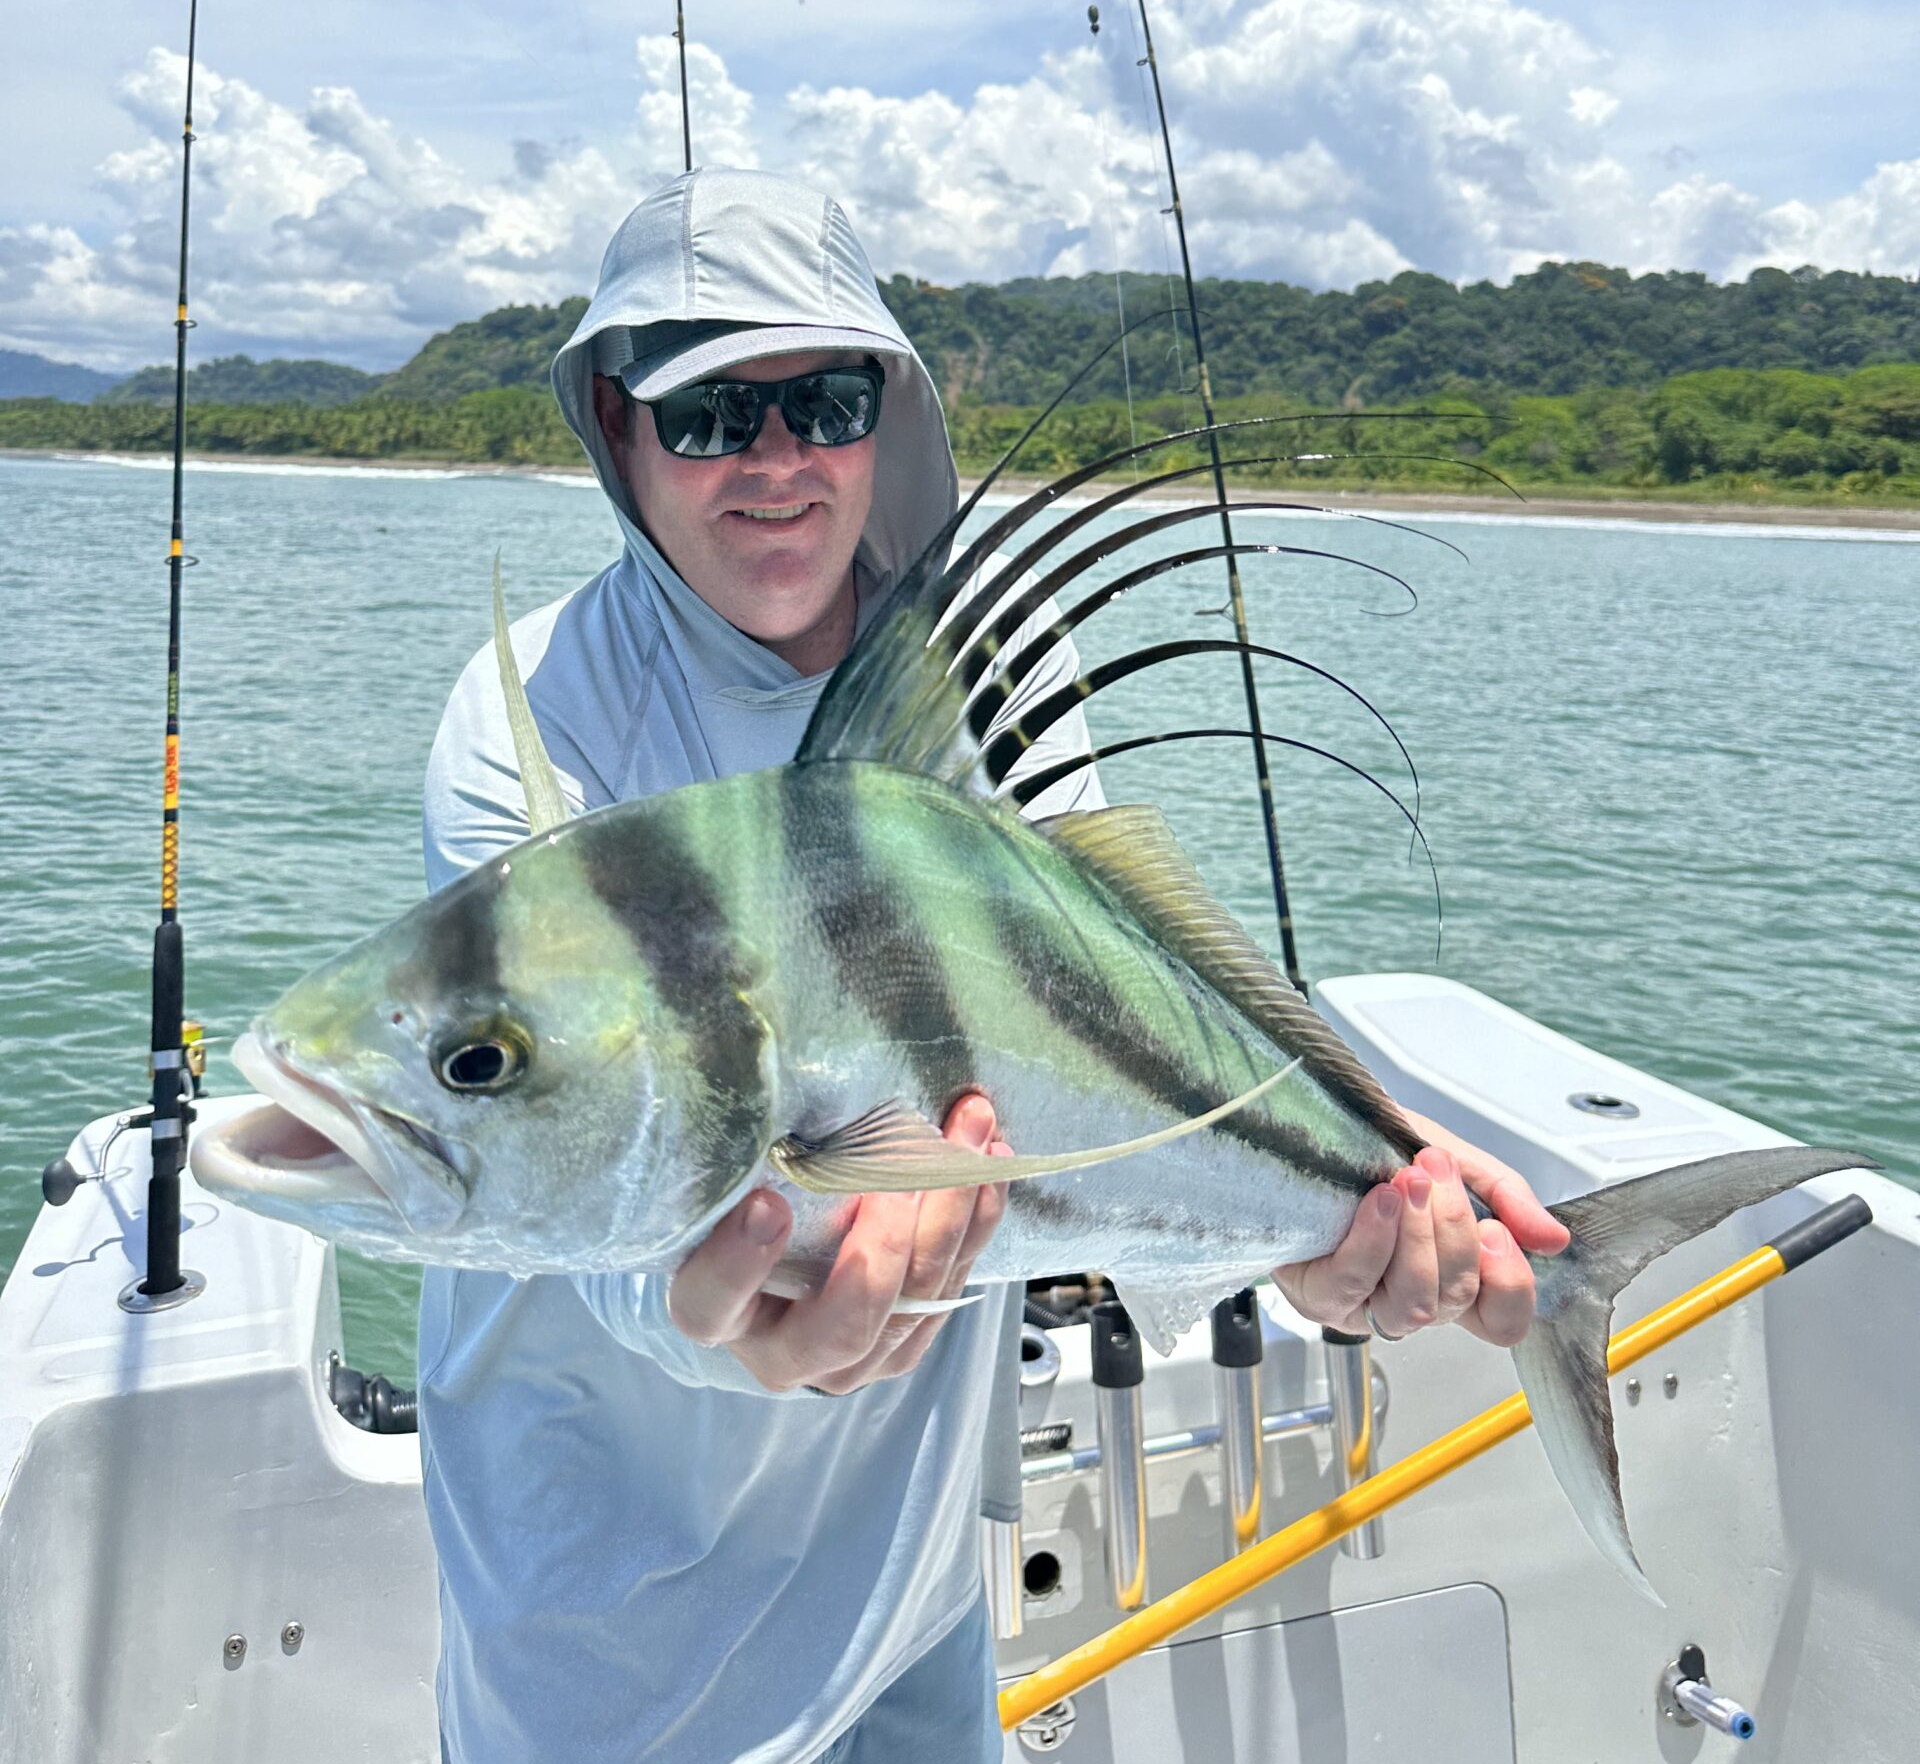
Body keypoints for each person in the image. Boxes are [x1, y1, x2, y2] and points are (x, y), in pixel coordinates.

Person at [416, 165, 1567, 1764]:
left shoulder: (992, 666)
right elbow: (547, 1158)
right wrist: (714, 1316)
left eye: (819, 400)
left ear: (884, 413)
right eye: (704, 418)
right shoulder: (536, 714)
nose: (775, 463)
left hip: (910, 1585)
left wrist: (1320, 1216)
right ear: (615, 430)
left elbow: (1109, 1027)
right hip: (606, 1622)